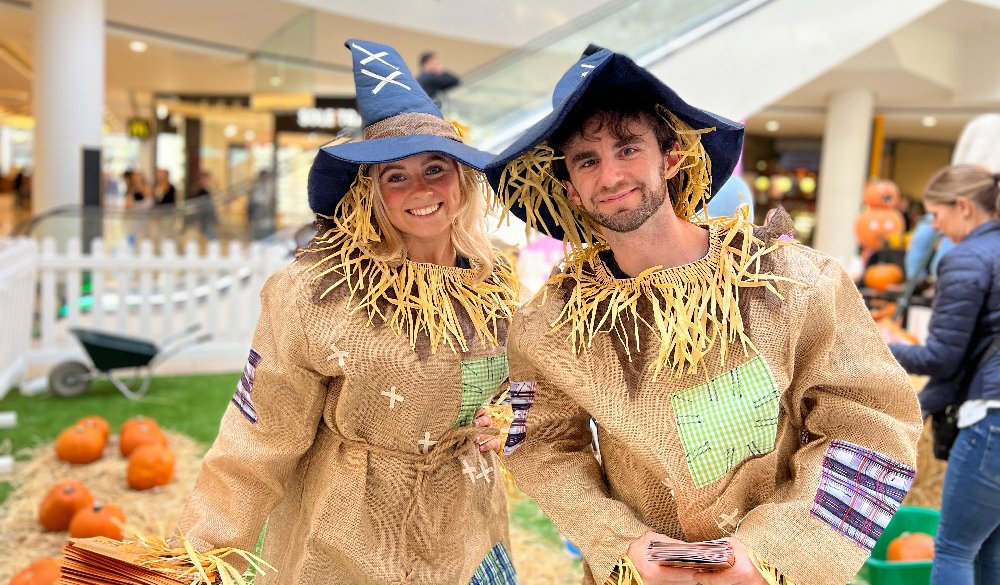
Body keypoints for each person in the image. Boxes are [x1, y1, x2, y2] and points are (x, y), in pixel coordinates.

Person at [486, 46, 921, 585]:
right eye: (587, 160)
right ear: (571, 187)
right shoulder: (551, 323)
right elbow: (541, 443)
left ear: (670, 158)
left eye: (627, 149)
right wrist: (621, 543)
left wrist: (770, 556)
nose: (611, 175)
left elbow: (872, 425)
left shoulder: (792, 281)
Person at [175, 39, 519, 585]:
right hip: (348, 537)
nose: (421, 189)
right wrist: (202, 556)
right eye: (395, 176)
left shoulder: (495, 282)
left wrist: (506, 422)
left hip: (466, 531)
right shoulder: (317, 292)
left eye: (436, 168)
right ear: (370, 192)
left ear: (462, 178)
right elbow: (257, 437)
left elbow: (515, 391)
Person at [889, 164, 1000, 585]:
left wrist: (875, 347)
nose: (936, 227)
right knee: (992, 552)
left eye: (937, 215)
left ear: (965, 208)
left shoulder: (966, 258)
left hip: (991, 421)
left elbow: (941, 358)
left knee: (953, 550)